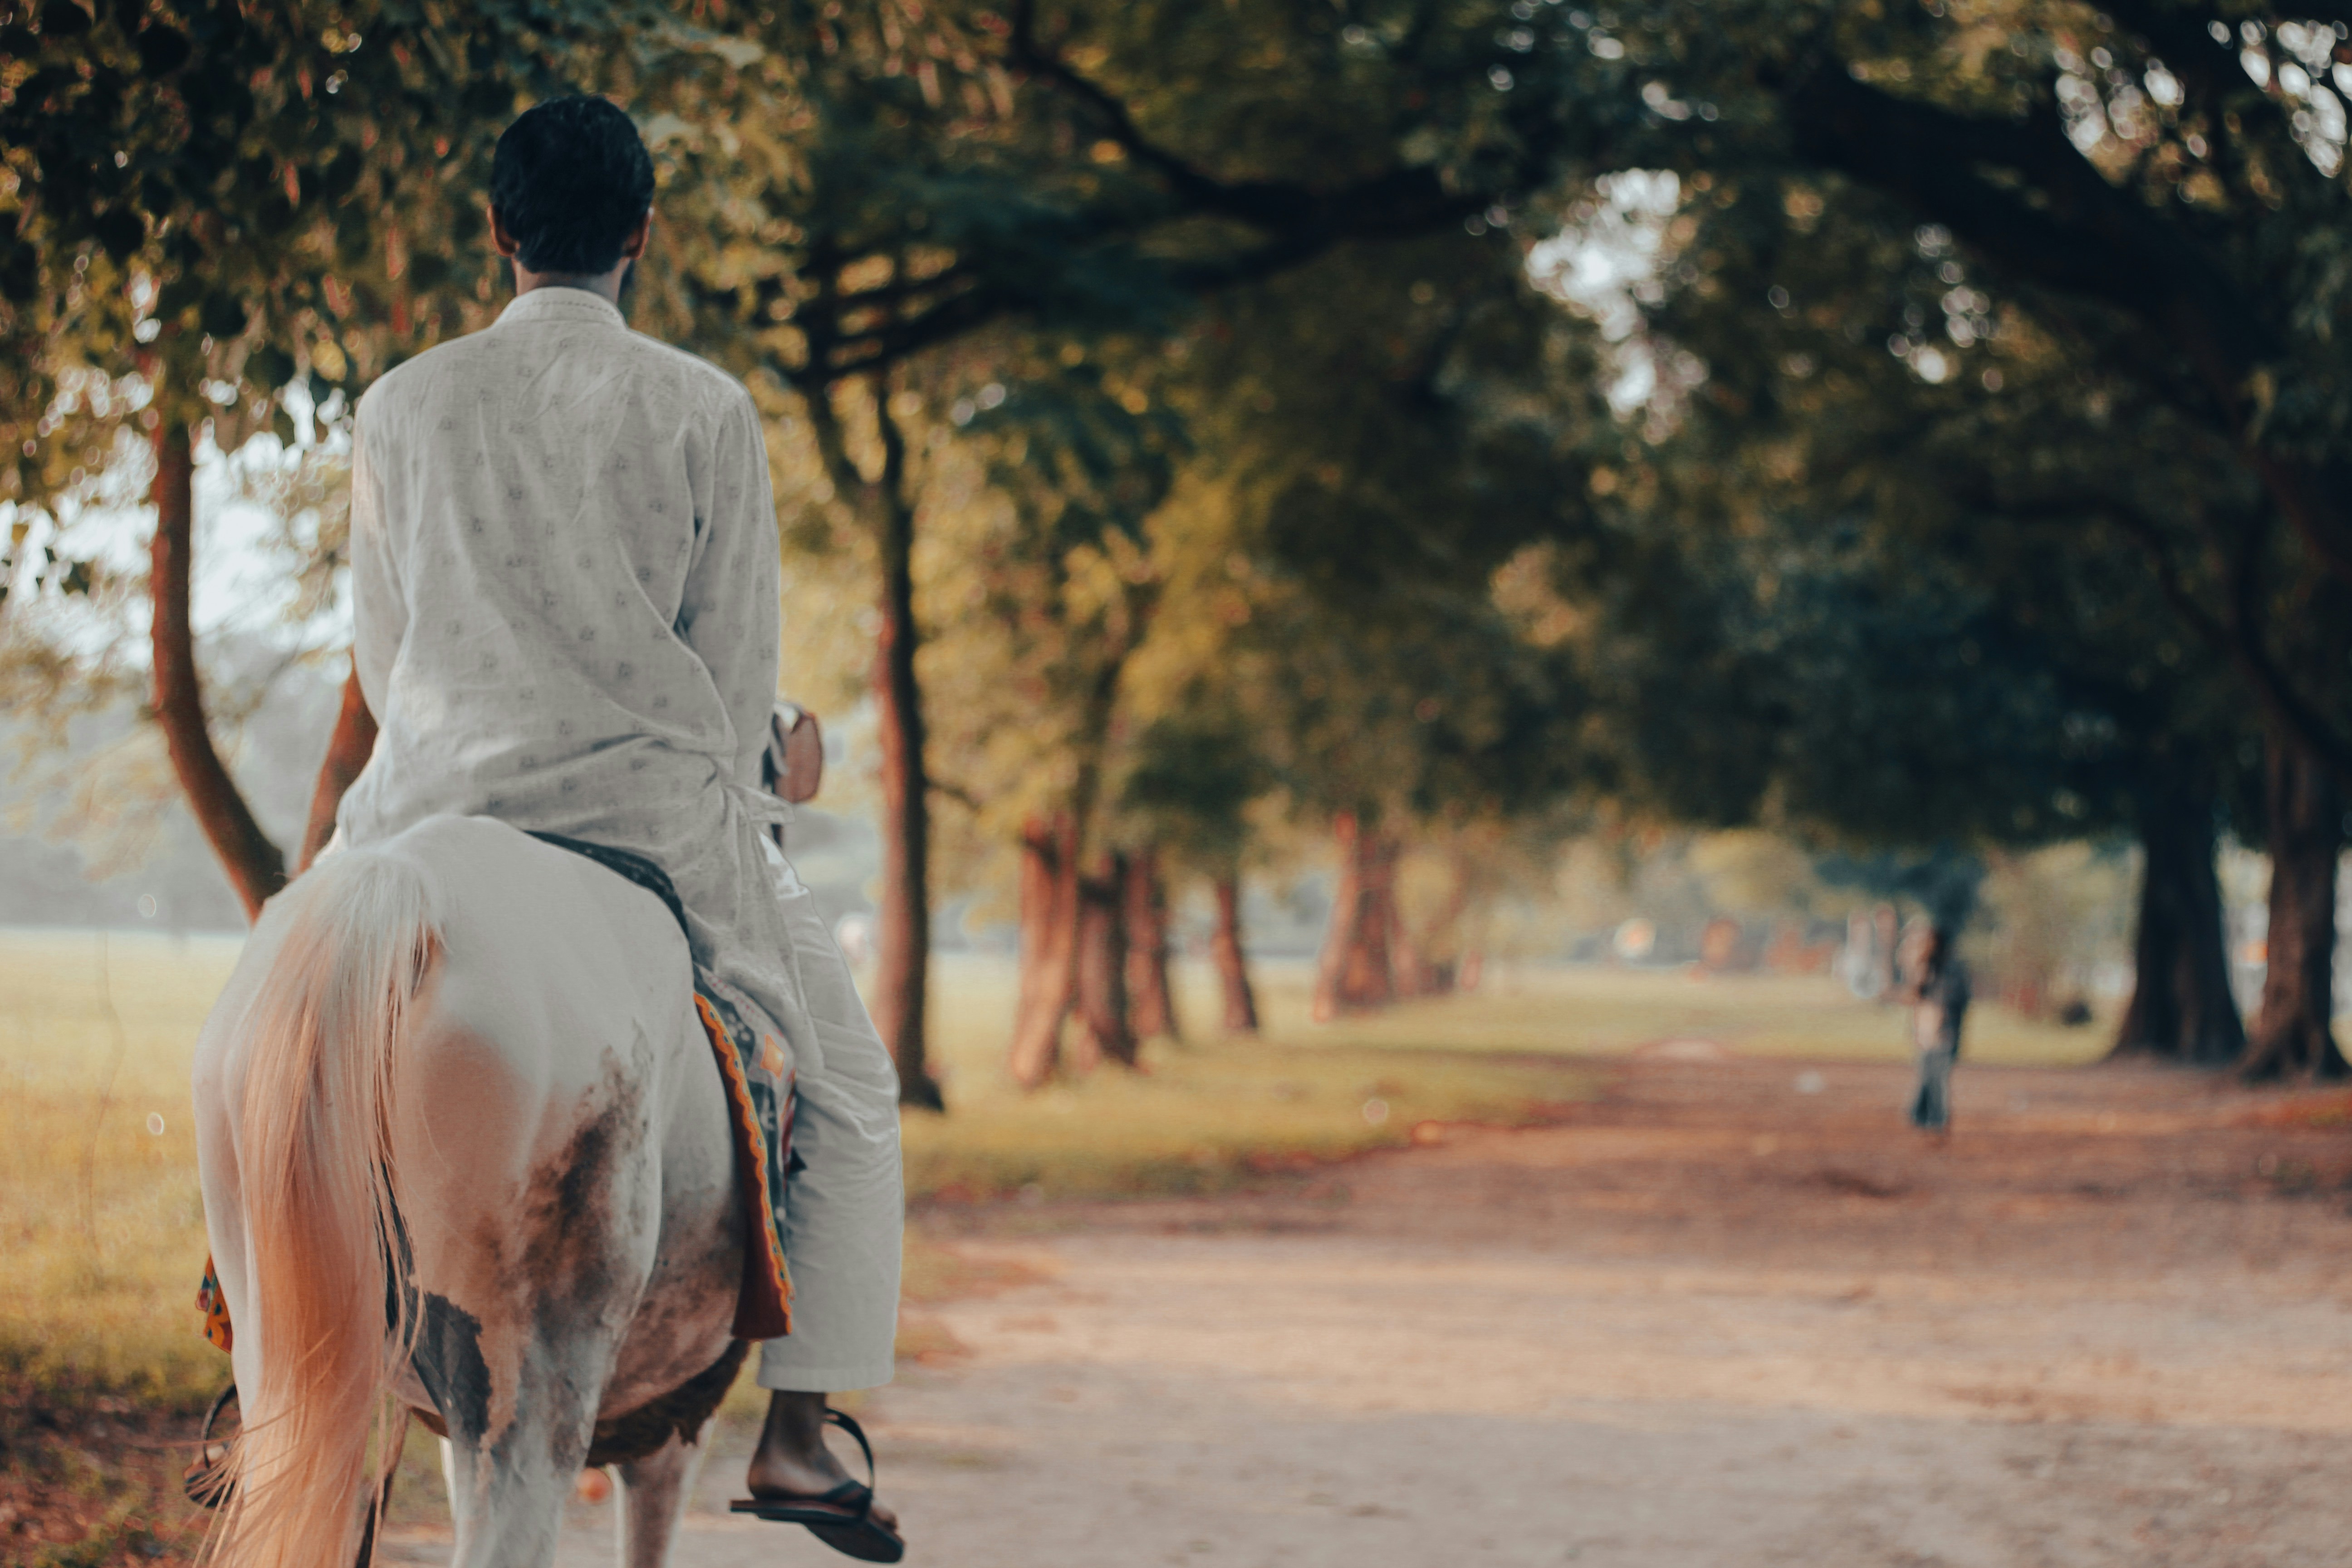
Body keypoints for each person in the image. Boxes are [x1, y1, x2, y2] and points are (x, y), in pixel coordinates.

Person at [328, 95, 903, 1559]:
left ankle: (251, 1341)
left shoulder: (401, 404)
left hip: (424, 819)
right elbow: (731, 677)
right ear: (641, 235)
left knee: (273, 1013)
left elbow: (385, 662)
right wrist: (757, 767)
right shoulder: (701, 407)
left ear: (495, 232)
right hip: (648, 824)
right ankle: (792, 1431)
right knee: (845, 1086)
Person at [1906, 926, 1970, 1135]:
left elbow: (1949, 1001)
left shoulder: (1951, 969)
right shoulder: (1928, 967)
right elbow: (1916, 996)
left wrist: (1937, 1023)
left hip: (1945, 1032)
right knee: (1926, 1073)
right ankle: (1922, 1117)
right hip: (1927, 1032)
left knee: (1939, 1077)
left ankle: (1938, 1121)